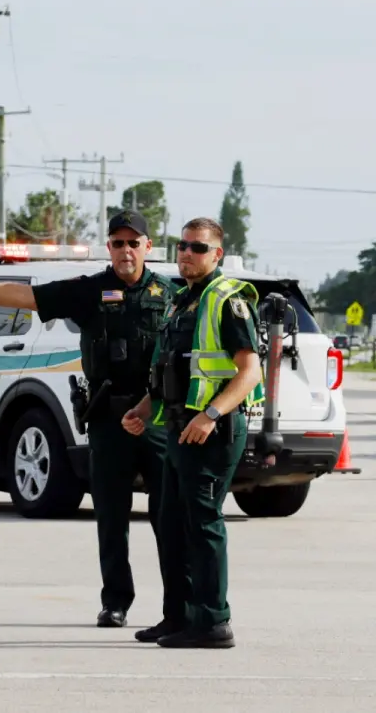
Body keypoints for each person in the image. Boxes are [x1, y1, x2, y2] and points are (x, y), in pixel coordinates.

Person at [0, 210, 181, 632]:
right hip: (108, 418)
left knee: (168, 517)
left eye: (133, 242)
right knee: (111, 518)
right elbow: (26, 297)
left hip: (155, 418)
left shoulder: (170, 294)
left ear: (148, 247)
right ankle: (115, 601)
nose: (125, 250)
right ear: (109, 248)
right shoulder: (90, 290)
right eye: (117, 243)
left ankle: (176, 607)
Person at [121, 216, 265, 649]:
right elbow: (173, 370)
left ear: (216, 254)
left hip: (212, 431)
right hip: (178, 428)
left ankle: (213, 621)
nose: (187, 253)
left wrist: (212, 415)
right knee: (170, 522)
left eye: (198, 248)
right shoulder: (181, 300)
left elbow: (249, 370)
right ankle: (179, 615)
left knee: (202, 524)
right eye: (182, 245)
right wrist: (144, 409)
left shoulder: (227, 299)